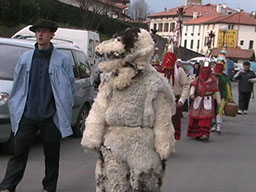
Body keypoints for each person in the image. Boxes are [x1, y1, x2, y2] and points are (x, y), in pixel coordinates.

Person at [81, 28, 176, 192]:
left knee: (142, 185)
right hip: (113, 144)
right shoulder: (110, 79)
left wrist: (163, 142)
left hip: (143, 145)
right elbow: (99, 107)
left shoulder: (153, 82)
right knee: (113, 185)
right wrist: (92, 134)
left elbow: (162, 116)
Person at [0, 20, 75, 192]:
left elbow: (69, 86)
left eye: (44, 31)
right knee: (19, 153)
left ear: (52, 34)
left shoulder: (62, 60)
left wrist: (62, 110)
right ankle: (7, 186)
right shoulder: (26, 58)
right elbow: (18, 85)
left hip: (50, 116)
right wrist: (16, 106)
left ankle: (49, 187)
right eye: (38, 31)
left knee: (51, 155)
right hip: (28, 114)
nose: (40, 34)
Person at [187, 61, 221, 141]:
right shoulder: (198, 79)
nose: (205, 71)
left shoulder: (213, 80)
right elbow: (193, 86)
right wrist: (192, 94)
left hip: (207, 100)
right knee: (196, 118)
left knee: (206, 118)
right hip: (198, 99)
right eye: (204, 69)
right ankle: (195, 133)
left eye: (207, 69)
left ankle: (204, 134)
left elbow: (216, 91)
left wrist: (219, 101)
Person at [162, 53, 190, 140]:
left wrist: (182, 100)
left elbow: (186, 86)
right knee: (162, 122)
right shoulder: (161, 71)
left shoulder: (180, 71)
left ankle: (171, 141)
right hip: (163, 101)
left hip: (175, 100)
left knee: (174, 123)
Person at [211, 58, 233, 134]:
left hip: (222, 96)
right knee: (213, 111)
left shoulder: (224, 77)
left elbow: (228, 87)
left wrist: (230, 97)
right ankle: (213, 125)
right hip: (212, 96)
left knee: (219, 110)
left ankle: (219, 125)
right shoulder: (212, 76)